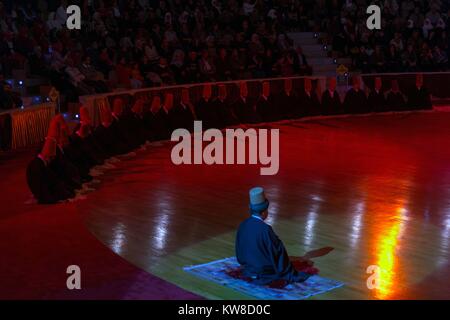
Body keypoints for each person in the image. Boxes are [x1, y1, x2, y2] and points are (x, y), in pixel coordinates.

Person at [235, 187, 311, 285]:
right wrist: (287, 269)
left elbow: (239, 249)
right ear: (263, 212)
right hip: (263, 271)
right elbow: (278, 252)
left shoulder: (243, 224)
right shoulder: (265, 229)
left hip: (248, 268)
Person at [26, 135, 74, 204]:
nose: (53, 158)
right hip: (44, 192)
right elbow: (40, 185)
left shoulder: (41, 162)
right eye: (51, 157)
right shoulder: (36, 165)